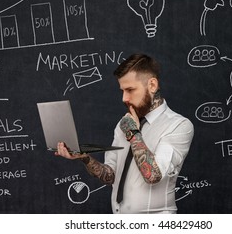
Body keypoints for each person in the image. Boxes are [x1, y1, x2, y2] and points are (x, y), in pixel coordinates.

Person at [56, 54, 194, 213]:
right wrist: (85, 158)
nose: (124, 98)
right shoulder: (124, 124)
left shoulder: (178, 125)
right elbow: (111, 176)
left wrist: (133, 133)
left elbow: (153, 175)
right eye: (122, 91)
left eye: (130, 90)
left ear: (152, 85)